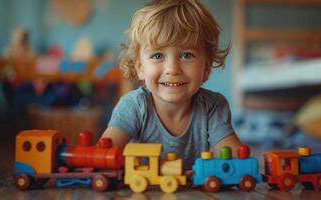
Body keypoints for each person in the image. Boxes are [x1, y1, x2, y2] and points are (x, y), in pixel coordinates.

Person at [101, 0, 241, 169]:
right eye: (158, 56)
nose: (172, 69)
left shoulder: (212, 106)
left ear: (206, 67)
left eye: (187, 55)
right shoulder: (133, 106)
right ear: (140, 68)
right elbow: (103, 154)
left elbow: (236, 159)